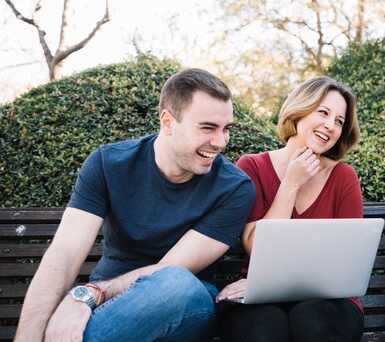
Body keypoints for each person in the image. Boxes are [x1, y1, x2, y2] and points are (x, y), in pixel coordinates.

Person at [14, 68, 256, 342]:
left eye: (226, 129)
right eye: (208, 128)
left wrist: (90, 293)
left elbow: (170, 268)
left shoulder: (234, 187)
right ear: (167, 122)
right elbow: (65, 253)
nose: (221, 141)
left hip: (187, 306)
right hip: (110, 311)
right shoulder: (109, 164)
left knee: (173, 283)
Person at [216, 76, 364, 342]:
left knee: (310, 320)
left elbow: (345, 263)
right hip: (259, 294)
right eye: (324, 113)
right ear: (299, 111)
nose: (330, 126)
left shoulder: (344, 177)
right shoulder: (253, 167)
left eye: (339, 121)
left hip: (328, 301)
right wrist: (291, 183)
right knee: (264, 326)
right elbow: (257, 247)